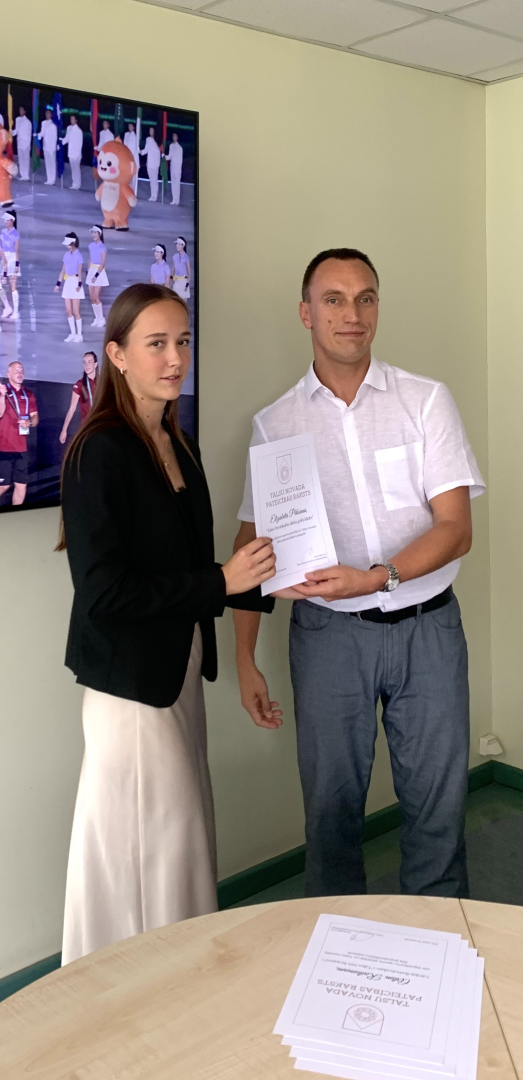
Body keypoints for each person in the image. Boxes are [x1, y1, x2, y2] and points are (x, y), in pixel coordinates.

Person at [234, 248, 485, 900]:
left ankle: (438, 938)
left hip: (428, 631)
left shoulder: (424, 401)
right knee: (330, 813)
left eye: (365, 298)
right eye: (334, 299)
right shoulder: (276, 425)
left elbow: (455, 529)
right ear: (305, 313)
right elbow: (252, 547)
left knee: (437, 808)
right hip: (328, 638)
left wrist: (374, 578)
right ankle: (334, 943)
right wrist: (244, 658)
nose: (352, 313)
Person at [58, 283, 276, 965]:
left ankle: (178, 982)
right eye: (156, 343)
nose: (176, 358)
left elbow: (193, 570)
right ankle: (127, 988)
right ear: (117, 355)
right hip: (130, 689)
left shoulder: (177, 443)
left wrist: (267, 577)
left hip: (176, 671)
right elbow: (103, 593)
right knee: (145, 851)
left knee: (175, 843)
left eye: (182, 341)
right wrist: (221, 581)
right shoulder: (99, 450)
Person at [0, 361, 38, 509]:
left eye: (21, 370)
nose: (20, 373)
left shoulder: (28, 394)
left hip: (21, 447)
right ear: (9, 374)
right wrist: (2, 396)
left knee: (21, 484)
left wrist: (29, 423)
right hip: (3, 445)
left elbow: (35, 417)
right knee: (3, 485)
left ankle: (16, 515)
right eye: (16, 371)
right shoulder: (2, 390)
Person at [58, 351, 98, 445]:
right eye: (84, 362)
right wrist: (64, 430)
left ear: (95, 364)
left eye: (89, 362)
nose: (86, 365)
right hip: (86, 428)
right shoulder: (79, 384)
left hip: (100, 426)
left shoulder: (102, 383)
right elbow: (72, 409)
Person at [56, 232, 85, 343]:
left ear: (73, 243)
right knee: (68, 310)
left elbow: (80, 271)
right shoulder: (66, 255)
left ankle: (79, 334)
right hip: (68, 282)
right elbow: (63, 270)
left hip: (75, 282)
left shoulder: (79, 255)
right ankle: (72, 333)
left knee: (76, 311)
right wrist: (58, 284)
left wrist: (79, 284)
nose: (67, 246)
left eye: (68, 244)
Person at [0, 210, 21, 320]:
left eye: (7, 220)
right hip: (4, 258)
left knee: (13, 285)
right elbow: (0, 247)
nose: (5, 222)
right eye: (5, 220)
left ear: (12, 220)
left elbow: (17, 250)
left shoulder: (16, 234)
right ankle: (7, 307)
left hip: (12, 259)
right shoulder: (2, 232)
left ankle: (15, 311)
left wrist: (17, 264)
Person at [86, 225, 109, 328]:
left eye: (95, 233)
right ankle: (97, 318)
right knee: (91, 297)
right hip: (92, 270)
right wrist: (88, 271)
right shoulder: (91, 245)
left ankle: (101, 318)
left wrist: (96, 275)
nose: (93, 234)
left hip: (99, 272)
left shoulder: (102, 247)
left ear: (100, 234)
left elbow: (102, 264)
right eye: (93, 233)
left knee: (96, 296)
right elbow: (90, 259)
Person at [61, 114, 84, 190]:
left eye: (73, 119)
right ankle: (74, 183)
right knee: (73, 169)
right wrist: (61, 142)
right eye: (71, 119)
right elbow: (66, 139)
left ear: (76, 120)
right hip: (70, 152)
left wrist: (78, 154)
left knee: (76, 169)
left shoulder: (79, 131)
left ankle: (78, 184)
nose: (71, 120)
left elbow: (80, 143)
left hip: (76, 153)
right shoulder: (69, 128)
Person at [140, 126, 161, 202]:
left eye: (152, 130)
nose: (151, 132)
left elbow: (158, 153)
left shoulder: (156, 141)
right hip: (149, 164)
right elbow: (146, 150)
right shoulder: (148, 139)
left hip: (155, 164)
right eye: (150, 130)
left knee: (154, 180)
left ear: (154, 132)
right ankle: (152, 195)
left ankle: (155, 196)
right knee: (152, 181)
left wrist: (158, 164)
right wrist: (140, 151)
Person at [12, 105, 32, 181]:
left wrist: (28, 144)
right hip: (19, 142)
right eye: (20, 110)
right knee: (20, 159)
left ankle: (26, 175)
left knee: (26, 159)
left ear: (25, 111)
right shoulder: (17, 119)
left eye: (22, 110)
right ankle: (22, 174)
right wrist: (11, 131)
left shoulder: (28, 122)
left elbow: (29, 134)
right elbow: (15, 131)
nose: (20, 111)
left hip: (26, 143)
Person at [38, 106, 58, 186]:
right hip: (45, 146)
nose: (47, 115)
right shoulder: (43, 123)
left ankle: (52, 179)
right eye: (46, 113)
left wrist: (53, 148)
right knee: (47, 163)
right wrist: (38, 136)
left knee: (52, 163)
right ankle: (49, 178)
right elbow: (42, 133)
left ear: (51, 115)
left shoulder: (53, 125)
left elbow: (55, 138)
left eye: (48, 113)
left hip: (51, 147)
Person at [165, 131, 183, 206]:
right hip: (172, 168)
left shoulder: (180, 148)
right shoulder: (171, 146)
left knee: (177, 184)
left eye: (175, 136)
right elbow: (170, 156)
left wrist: (178, 169)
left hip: (177, 169)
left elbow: (180, 160)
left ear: (177, 138)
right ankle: (174, 199)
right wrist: (164, 157)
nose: (174, 137)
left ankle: (177, 200)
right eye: (173, 136)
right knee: (173, 184)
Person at [123, 121, 140, 194]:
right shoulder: (126, 135)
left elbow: (133, 148)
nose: (130, 127)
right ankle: (127, 191)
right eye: (129, 126)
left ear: (133, 127)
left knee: (134, 177)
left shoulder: (135, 136)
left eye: (131, 126)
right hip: (127, 158)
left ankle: (133, 192)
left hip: (134, 159)